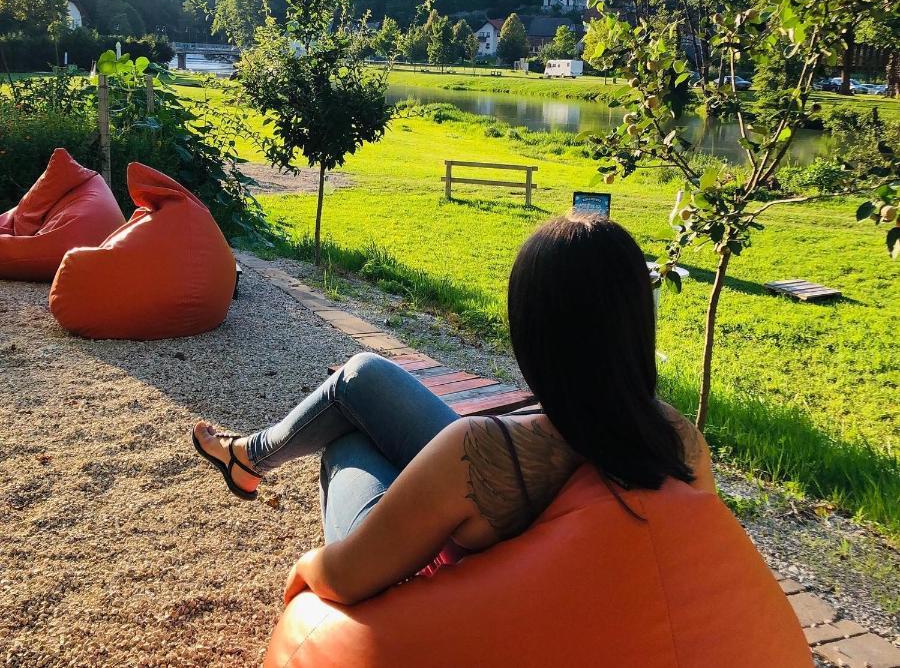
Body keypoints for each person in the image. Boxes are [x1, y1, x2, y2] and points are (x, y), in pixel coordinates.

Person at [192, 213, 714, 607]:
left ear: (533, 335)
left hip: (489, 528)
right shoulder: (678, 437)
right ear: (636, 324)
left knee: (349, 438)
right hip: (538, 484)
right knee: (363, 375)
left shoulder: (480, 453)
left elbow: (345, 579)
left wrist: (304, 568)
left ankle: (248, 460)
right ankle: (249, 455)